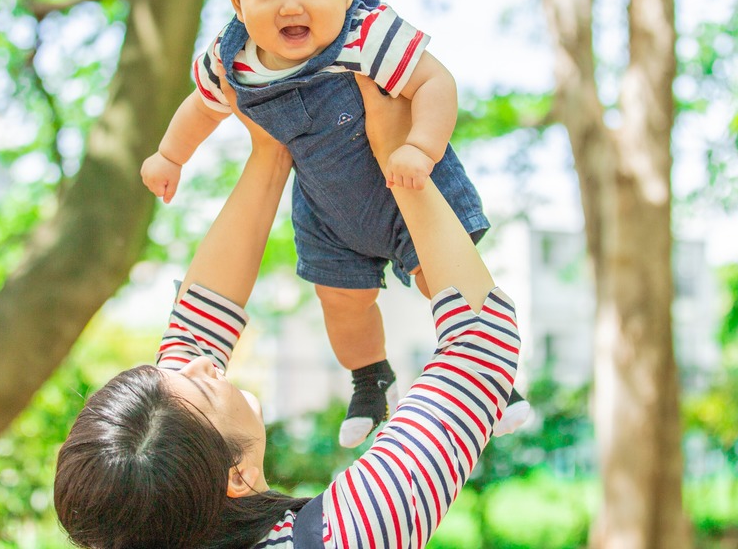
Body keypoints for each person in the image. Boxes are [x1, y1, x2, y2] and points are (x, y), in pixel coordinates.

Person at [57, 75, 522, 549]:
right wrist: (395, 156)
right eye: (200, 385)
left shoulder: (152, 517)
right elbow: (480, 348)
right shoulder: (346, 536)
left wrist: (269, 150)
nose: (198, 362)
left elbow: (195, 334)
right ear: (235, 475)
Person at [140, 0, 529, 446]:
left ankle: (496, 380)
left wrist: (420, 146)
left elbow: (434, 81)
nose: (291, 5)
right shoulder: (235, 58)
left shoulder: (367, 34)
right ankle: (370, 380)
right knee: (340, 303)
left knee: (435, 279)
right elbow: (202, 105)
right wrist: (169, 154)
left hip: (403, 182)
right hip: (325, 207)